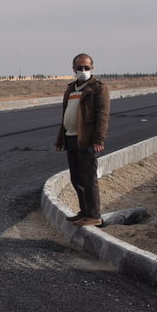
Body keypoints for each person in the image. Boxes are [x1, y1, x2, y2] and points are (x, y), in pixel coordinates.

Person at [55, 53, 110, 227]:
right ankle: (84, 212)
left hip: (86, 140)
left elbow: (103, 116)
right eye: (79, 68)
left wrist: (98, 140)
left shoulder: (98, 88)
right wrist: (60, 139)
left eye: (87, 67)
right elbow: (66, 115)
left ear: (92, 68)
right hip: (70, 138)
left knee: (88, 178)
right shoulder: (71, 89)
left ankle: (94, 214)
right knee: (76, 178)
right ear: (73, 69)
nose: (83, 70)